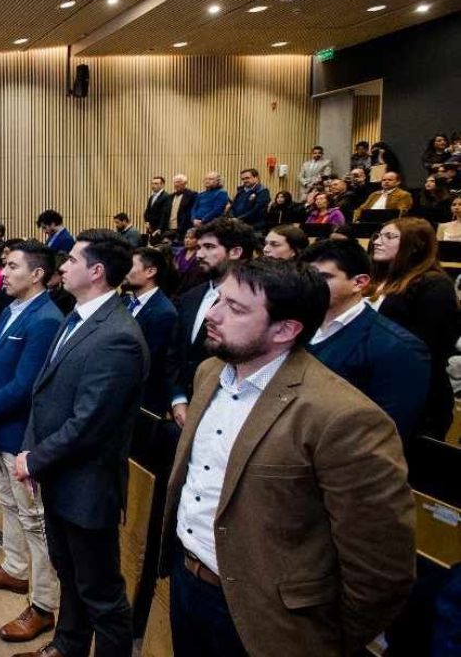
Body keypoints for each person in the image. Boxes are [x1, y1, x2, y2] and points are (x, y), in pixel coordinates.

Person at [158, 258, 415, 657]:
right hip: (188, 583)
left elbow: (380, 566)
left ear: (286, 329)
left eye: (236, 308)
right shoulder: (210, 372)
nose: (212, 314)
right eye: (219, 300)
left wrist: (323, 638)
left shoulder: (343, 416)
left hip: (274, 618)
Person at [11, 229, 147, 657]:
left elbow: (90, 424)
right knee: (69, 575)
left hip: (87, 484)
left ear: (97, 271)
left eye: (71, 259)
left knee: (101, 593)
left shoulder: (118, 336)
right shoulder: (76, 315)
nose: (63, 266)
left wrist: (34, 461)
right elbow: (44, 393)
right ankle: (67, 646)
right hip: (59, 475)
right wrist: (34, 455)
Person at [0, 241, 64, 644]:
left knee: (33, 519)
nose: (3, 273)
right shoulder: (10, 309)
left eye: (12, 266)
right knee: (8, 503)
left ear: (37, 274)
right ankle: (15, 568)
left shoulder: (45, 319)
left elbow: (27, 384)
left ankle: (43, 603)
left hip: (17, 430)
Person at [301, 240, 430, 437]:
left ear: (359, 282)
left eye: (324, 277)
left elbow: (386, 433)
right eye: (306, 277)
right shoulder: (297, 328)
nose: (310, 286)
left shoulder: (397, 347)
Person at [368, 217, 460, 439]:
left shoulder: (434, 284)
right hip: (376, 386)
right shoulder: (377, 280)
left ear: (415, 246)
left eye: (389, 236)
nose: (378, 242)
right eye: (379, 235)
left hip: (413, 396)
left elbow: (432, 346)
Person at [169, 218, 257, 428]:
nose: (199, 254)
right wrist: (178, 399)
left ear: (235, 252)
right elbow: (175, 353)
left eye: (209, 247)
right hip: (183, 411)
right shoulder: (191, 296)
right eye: (199, 247)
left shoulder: (256, 302)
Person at [125, 247, 179, 421]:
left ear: (150, 271)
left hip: (141, 402)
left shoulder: (164, 313)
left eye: (130, 265)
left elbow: (152, 363)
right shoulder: (125, 301)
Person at [173, 227, 206, 294]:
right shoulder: (179, 254)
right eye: (186, 237)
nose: (187, 240)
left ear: (198, 240)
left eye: (191, 238)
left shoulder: (200, 256)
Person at [143, 176, 173, 241]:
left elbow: (165, 214)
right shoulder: (152, 197)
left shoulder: (166, 196)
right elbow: (147, 211)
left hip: (159, 229)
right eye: (152, 183)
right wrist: (146, 221)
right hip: (150, 227)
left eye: (156, 183)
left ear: (162, 185)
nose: (153, 185)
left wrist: (159, 228)